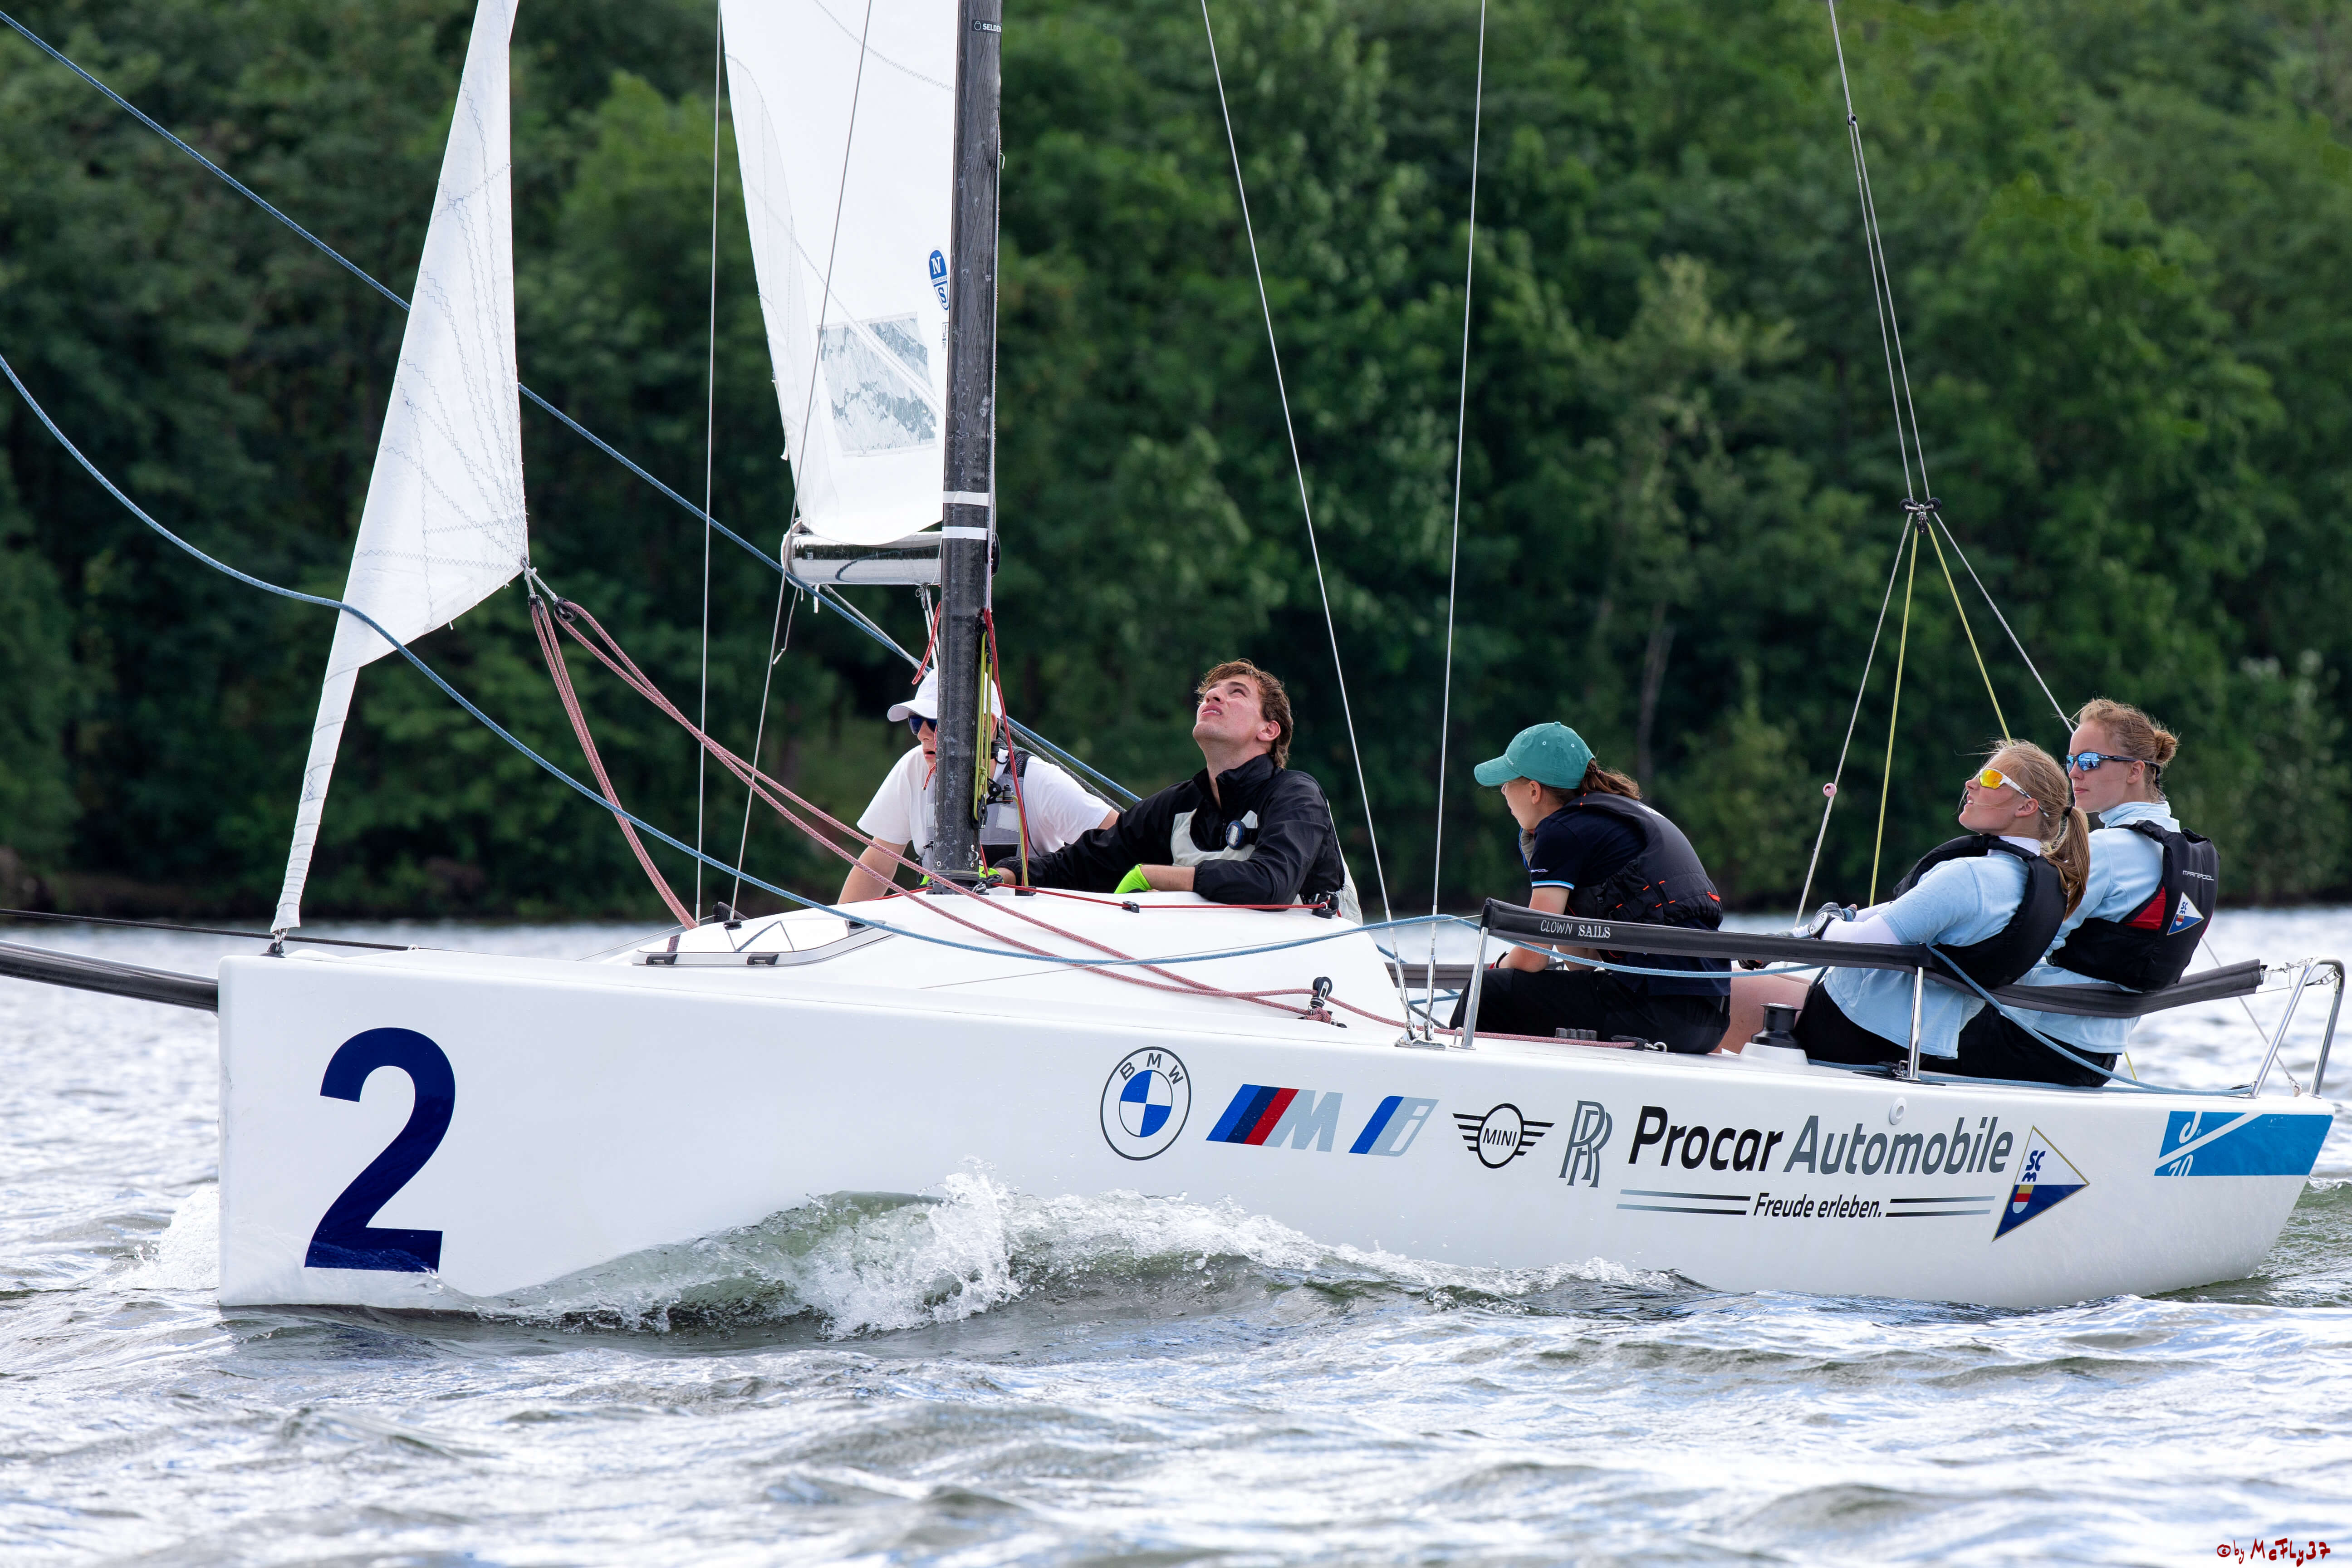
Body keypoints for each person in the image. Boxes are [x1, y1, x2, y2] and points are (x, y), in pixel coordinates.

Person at [1770, 740, 2087, 1068]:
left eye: (1992, 779)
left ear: (2026, 807)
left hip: (1850, 1025)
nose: (1971, 783)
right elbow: (1896, 914)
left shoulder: (1968, 877)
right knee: (1749, 979)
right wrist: (1809, 930)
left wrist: (1824, 923)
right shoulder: (2043, 886)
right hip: (1922, 1041)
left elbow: (1866, 942)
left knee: (1721, 986)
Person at [1945, 700, 2213, 1087]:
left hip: (2035, 1044)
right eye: (2071, 760)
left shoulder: (2104, 850)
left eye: (2089, 762)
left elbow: (2029, 943)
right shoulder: (2189, 852)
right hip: (2099, 1055)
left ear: (2135, 771)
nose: (2073, 773)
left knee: (1883, 1036)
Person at [1449, 723, 1730, 1053]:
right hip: (1707, 1021)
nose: (1502, 792)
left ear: (1534, 791)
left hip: (1656, 1010)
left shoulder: (1561, 830)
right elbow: (1582, 964)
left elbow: (1531, 959)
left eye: (1508, 782)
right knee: (1530, 993)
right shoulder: (1616, 814)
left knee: (1487, 991)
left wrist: (1498, 967)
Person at [1017, 660, 1356, 914]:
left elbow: (1272, 886)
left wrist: (1156, 877)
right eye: (1210, 692)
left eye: (1235, 692)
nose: (1213, 695)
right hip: (1213, 977)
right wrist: (1007, 873)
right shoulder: (1179, 803)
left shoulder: (1298, 795)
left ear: (1269, 731)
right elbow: (1086, 862)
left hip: (1317, 984)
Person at [838, 667, 1117, 902]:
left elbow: (1120, 839)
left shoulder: (1035, 780)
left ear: (987, 725)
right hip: (940, 936)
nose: (923, 733)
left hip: (1023, 942)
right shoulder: (913, 768)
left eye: (935, 722)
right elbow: (878, 862)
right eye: (915, 721)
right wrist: (841, 934)